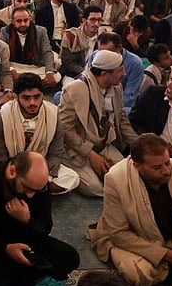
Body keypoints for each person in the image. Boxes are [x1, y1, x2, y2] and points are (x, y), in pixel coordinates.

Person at [87, 134, 172, 286]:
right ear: (137, 166)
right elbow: (119, 234)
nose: (167, 171)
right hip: (138, 237)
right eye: (157, 167)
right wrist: (169, 255)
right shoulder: (116, 179)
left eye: (167, 163)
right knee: (140, 273)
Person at [0, 152, 80, 286]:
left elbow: (45, 228)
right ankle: (21, 278)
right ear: (12, 171)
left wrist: (27, 220)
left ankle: (7, 280)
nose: (31, 195)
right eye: (27, 188)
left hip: (23, 238)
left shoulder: (39, 187)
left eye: (36, 190)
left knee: (69, 257)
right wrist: (5, 248)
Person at [0, 73, 79, 194]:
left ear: (42, 95)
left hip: (39, 167)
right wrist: (16, 175)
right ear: (16, 97)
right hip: (10, 169)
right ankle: (37, 189)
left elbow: (56, 153)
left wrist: (44, 173)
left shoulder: (53, 114)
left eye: (37, 97)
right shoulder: (3, 116)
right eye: (26, 98)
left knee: (72, 177)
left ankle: (29, 187)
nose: (32, 103)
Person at [59, 50, 138, 197]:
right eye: (120, 70)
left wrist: (138, 144)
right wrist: (91, 155)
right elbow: (65, 129)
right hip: (76, 148)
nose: (124, 74)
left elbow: (121, 119)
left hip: (103, 144)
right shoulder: (75, 89)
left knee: (127, 175)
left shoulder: (116, 87)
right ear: (104, 74)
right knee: (94, 187)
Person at [0, 7, 59, 88]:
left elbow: (47, 51)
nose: (23, 24)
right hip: (14, 66)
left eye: (26, 20)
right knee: (5, 75)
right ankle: (35, 85)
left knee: (56, 76)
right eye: (19, 21)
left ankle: (26, 85)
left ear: (30, 19)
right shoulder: (5, 31)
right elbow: (2, 54)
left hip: (36, 66)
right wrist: (10, 69)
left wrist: (49, 72)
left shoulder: (41, 31)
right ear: (13, 21)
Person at [59, 6, 102, 84]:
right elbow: (68, 64)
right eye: (92, 20)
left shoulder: (103, 38)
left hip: (97, 76)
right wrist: (87, 73)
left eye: (99, 20)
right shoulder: (71, 36)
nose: (96, 24)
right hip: (73, 75)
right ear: (84, 21)